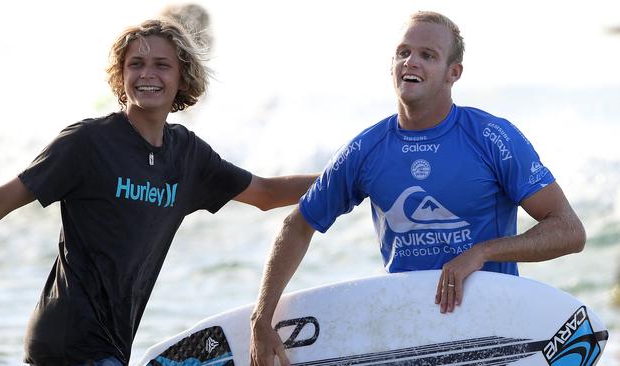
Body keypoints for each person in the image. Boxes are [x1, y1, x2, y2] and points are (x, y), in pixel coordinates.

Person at [0, 18, 317, 366]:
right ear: (121, 75)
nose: (147, 74)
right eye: (135, 64)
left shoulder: (188, 156)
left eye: (161, 65)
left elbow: (265, 194)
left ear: (182, 77)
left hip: (112, 346)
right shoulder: (88, 142)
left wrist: (347, 175)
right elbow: (4, 199)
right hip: (67, 340)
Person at [248, 10, 586, 365]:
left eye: (428, 55)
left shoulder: (491, 137)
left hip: (490, 330)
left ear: (453, 73)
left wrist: (482, 252)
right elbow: (297, 226)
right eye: (403, 52)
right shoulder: (367, 149)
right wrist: (262, 316)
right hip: (409, 334)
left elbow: (569, 230)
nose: (411, 61)